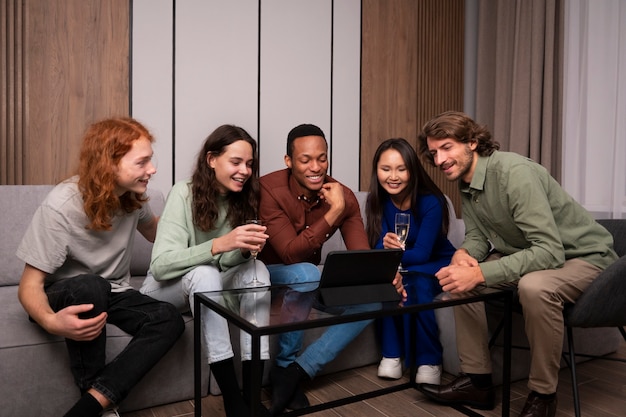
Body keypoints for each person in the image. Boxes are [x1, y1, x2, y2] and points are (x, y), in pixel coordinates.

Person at [415, 111, 618, 417]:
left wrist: (481, 272)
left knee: (533, 287)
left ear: (472, 142)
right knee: (459, 279)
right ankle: (477, 381)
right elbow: (477, 237)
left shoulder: (513, 173)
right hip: (534, 253)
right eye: (434, 153)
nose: (440, 159)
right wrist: (463, 255)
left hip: (583, 257)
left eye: (446, 147)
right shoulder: (465, 181)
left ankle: (543, 396)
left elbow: (549, 252)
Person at [16, 117, 185, 417]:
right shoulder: (61, 206)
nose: (153, 169)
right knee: (90, 284)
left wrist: (201, 227)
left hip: (113, 291)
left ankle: (89, 407)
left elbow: (156, 233)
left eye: (151, 160)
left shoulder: (132, 196)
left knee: (169, 319)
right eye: (142, 162)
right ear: (109, 164)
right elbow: (29, 286)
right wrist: (52, 322)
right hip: (64, 293)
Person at [258, 123, 405, 415]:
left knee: (377, 297)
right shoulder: (268, 189)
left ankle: (296, 372)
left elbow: (360, 256)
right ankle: (285, 363)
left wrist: (383, 275)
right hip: (268, 276)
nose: (316, 167)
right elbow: (289, 254)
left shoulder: (343, 194)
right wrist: (333, 212)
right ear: (288, 162)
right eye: (305, 160)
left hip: (308, 284)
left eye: (322, 158)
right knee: (306, 273)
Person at [140, 124, 271, 417]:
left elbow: (224, 263)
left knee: (257, 268)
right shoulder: (182, 194)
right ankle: (232, 400)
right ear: (212, 159)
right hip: (162, 289)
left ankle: (251, 397)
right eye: (236, 162)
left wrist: (242, 251)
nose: (245, 171)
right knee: (204, 273)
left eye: (249, 164)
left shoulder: (242, 198)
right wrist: (219, 244)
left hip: (208, 286)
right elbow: (161, 266)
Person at [365, 138, 456, 385]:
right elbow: (375, 247)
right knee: (388, 284)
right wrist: (385, 252)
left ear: (412, 170)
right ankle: (392, 355)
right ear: (376, 171)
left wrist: (389, 255)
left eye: (401, 169)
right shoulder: (377, 202)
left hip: (437, 262)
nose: (393, 177)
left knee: (417, 284)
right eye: (386, 169)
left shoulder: (431, 202)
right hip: (403, 265)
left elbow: (423, 253)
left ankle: (429, 360)